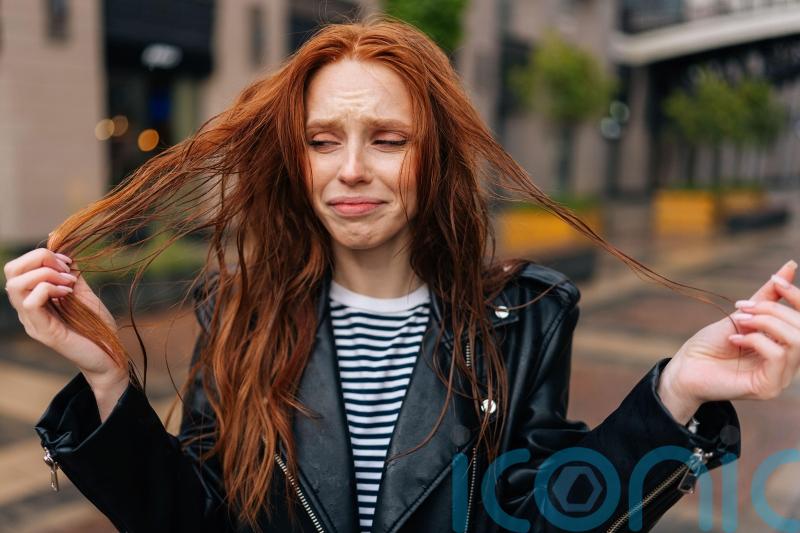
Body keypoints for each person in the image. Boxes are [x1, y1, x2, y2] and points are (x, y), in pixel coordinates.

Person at [3, 15, 799, 533]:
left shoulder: (528, 317)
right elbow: (194, 518)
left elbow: (549, 518)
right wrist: (109, 382)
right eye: (321, 140)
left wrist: (676, 395)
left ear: (434, 156)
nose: (350, 170)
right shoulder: (239, 311)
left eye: (386, 138)